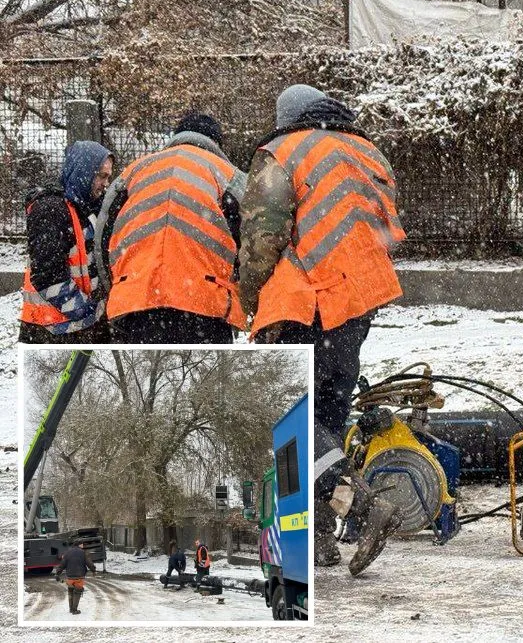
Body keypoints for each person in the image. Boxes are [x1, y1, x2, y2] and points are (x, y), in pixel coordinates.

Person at [238, 84, 408, 576]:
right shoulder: (366, 150)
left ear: (287, 117)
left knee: (289, 416)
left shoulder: (283, 151)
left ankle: (360, 504)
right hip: (357, 300)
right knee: (326, 414)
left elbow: (264, 235)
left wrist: (250, 297)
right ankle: (319, 541)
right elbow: (384, 224)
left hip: (304, 299)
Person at [99, 113, 247, 343]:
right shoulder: (229, 176)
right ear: (216, 143)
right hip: (206, 306)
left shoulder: (134, 172)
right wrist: (243, 297)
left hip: (136, 303)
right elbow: (254, 240)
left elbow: (103, 238)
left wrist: (118, 288)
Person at [19, 140, 112, 344]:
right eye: (102, 176)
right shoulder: (50, 210)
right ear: (85, 171)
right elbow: (47, 277)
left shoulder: (86, 206)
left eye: (108, 177)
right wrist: (88, 310)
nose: (106, 184)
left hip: (76, 326)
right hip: (50, 330)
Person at [54, 542, 95, 615]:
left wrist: (57, 573)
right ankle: (74, 610)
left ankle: (71, 609)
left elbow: (62, 564)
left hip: (70, 576)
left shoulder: (67, 553)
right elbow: (89, 563)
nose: (83, 546)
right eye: (82, 544)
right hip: (79, 576)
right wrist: (93, 570)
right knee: (77, 592)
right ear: (79, 545)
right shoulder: (83, 553)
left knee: (70, 591)